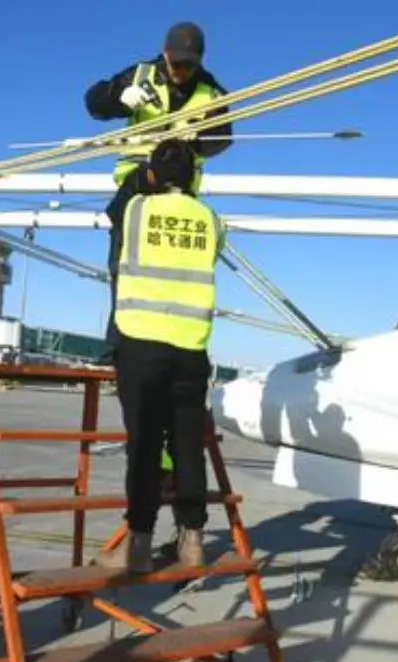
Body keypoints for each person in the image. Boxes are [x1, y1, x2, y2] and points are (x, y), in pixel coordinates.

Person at [94, 138, 226, 574]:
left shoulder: (135, 212)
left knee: (145, 447)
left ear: (152, 174)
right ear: (192, 177)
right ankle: (192, 541)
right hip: (191, 346)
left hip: (140, 342)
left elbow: (119, 209)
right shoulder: (211, 221)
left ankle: (137, 546)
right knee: (188, 445)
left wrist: (141, 178)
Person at [84, 21, 233, 195]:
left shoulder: (213, 94)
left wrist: (198, 140)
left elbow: (222, 140)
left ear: (200, 59)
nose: (182, 71)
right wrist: (119, 98)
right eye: (176, 64)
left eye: (189, 65)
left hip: (182, 186)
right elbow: (93, 103)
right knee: (127, 214)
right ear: (165, 52)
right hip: (137, 177)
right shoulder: (140, 76)